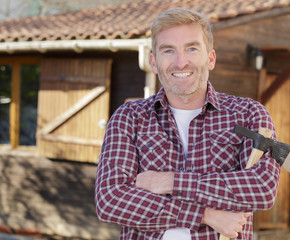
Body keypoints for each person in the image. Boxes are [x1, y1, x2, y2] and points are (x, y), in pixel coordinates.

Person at [95, 7, 280, 240]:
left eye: (191, 48)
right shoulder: (129, 118)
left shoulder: (249, 115)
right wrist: (205, 215)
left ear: (210, 58)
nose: (181, 62)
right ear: (154, 62)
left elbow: (262, 189)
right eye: (168, 50)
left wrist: (169, 181)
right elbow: (110, 200)